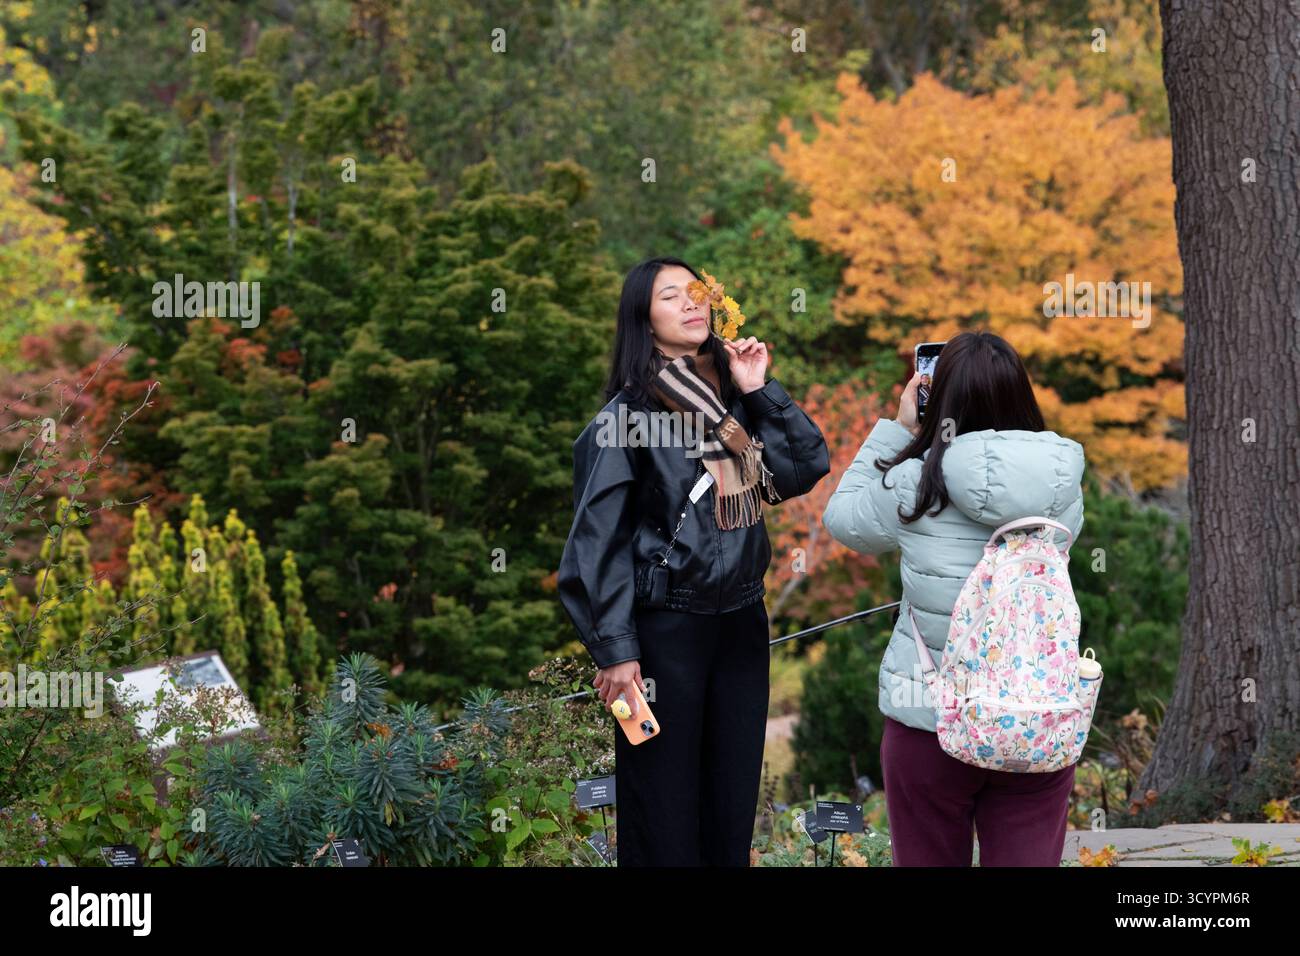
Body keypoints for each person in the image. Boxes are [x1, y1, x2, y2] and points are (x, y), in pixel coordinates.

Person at [557, 256, 830, 866]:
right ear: (643, 321)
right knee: (665, 807)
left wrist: (761, 388)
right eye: (670, 297)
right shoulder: (625, 419)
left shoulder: (732, 404)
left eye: (697, 293)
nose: (691, 304)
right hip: (665, 631)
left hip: (740, 622)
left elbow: (803, 467)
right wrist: (617, 651)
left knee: (730, 803)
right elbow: (594, 541)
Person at [821, 330, 1085, 866]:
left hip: (932, 716)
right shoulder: (1062, 484)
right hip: (1035, 712)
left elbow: (842, 520)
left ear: (936, 399)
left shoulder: (915, 481)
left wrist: (898, 430)